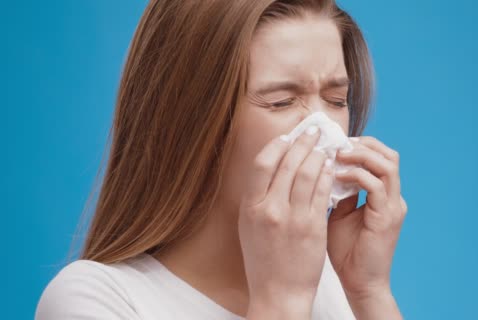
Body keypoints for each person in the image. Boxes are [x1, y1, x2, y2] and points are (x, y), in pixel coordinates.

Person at [35, 0, 408, 319]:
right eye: (281, 101)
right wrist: (282, 302)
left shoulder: (328, 282)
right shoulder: (94, 299)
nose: (326, 128)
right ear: (192, 120)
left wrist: (369, 292)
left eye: (337, 100)